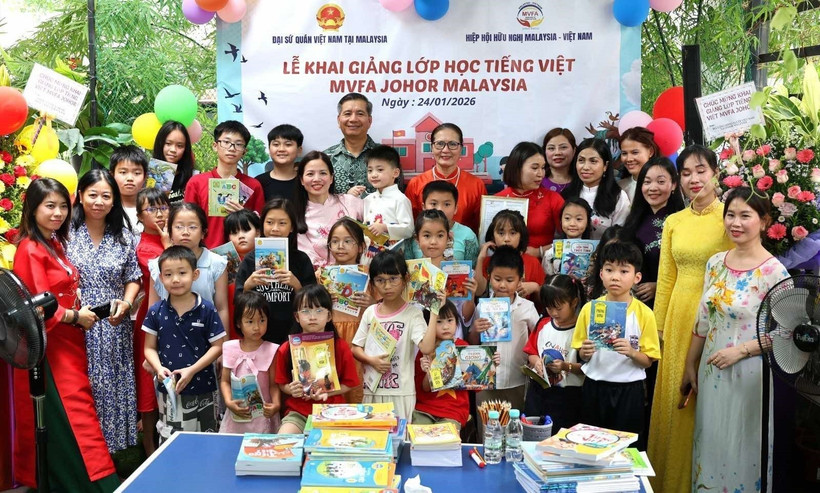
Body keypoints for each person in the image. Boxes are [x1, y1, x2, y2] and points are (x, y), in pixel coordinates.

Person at [12, 178, 117, 491]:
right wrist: (74, 315)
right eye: (49, 206)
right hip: (51, 347)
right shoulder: (30, 249)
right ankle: (93, 484)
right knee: (76, 416)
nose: (58, 213)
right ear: (32, 208)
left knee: (75, 414)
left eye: (62, 206)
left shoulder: (53, 242)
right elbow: (34, 307)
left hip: (70, 342)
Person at [683, 187, 789, 492]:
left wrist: (741, 351)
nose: (736, 223)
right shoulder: (715, 263)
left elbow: (787, 332)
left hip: (750, 374)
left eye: (745, 215)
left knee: (743, 446)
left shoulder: (774, 272)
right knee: (710, 441)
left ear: (765, 221)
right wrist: (691, 363)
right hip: (711, 368)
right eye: (730, 215)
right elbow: (703, 319)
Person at [647, 145, 733, 493]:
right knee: (675, 400)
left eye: (701, 170)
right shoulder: (673, 222)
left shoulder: (731, 215)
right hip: (679, 317)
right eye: (686, 173)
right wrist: (659, 329)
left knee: (709, 397)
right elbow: (666, 279)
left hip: (718, 316)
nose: (694, 179)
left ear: (715, 172)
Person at [67, 169, 141, 453]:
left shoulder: (123, 236)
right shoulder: (66, 234)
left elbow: (133, 277)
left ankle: (110, 454)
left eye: (106, 196)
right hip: (75, 321)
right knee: (82, 382)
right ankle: (82, 453)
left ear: (114, 201)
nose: (99, 201)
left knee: (112, 383)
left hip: (113, 322)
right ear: (81, 196)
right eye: (93, 194)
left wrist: (126, 302)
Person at [572, 242, 661, 449]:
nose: (615, 277)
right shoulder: (590, 309)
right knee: (590, 444)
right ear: (601, 273)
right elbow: (580, 353)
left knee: (626, 447)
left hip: (629, 390)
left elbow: (648, 361)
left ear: (636, 278)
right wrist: (584, 353)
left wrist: (631, 352)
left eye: (623, 271)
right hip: (595, 386)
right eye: (609, 270)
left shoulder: (644, 313)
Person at [143, 246, 226, 440]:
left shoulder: (207, 309)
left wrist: (192, 370)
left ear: (195, 274)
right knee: (172, 438)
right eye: (168, 274)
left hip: (205, 386)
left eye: (182, 273)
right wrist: (158, 368)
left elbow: (217, 346)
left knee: (207, 438)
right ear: (161, 278)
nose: (176, 279)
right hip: (170, 389)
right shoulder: (156, 311)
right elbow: (148, 347)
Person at [352, 249, 439, 421]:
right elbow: (355, 348)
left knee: (400, 441)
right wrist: (371, 361)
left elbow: (427, 347)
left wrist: (434, 310)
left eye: (393, 279)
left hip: (402, 393)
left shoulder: (412, 314)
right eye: (380, 280)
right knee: (376, 441)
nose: (387, 286)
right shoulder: (370, 312)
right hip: (372, 390)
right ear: (373, 283)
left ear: (405, 279)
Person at [276, 285, 361, 434]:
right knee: (285, 438)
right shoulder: (286, 348)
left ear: (329, 316)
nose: (313, 316)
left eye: (319, 310)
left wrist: (326, 393)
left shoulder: (339, 346)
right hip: (298, 412)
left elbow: (350, 384)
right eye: (306, 311)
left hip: (332, 411)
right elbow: (282, 384)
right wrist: (291, 389)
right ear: (297, 317)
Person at [469, 245, 540, 415]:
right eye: (497, 279)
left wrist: (534, 359)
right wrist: (475, 330)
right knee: (486, 427)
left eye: (509, 280)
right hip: (486, 380)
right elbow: (472, 342)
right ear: (488, 275)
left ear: (520, 280)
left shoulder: (527, 307)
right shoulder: (482, 307)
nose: (502, 285)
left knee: (514, 424)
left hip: (516, 378)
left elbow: (538, 337)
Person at [235, 198, 317, 344]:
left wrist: (297, 286)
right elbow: (238, 301)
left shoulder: (301, 259)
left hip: (293, 334)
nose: (275, 228)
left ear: (292, 227)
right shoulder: (250, 260)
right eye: (270, 222)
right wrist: (248, 286)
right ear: (262, 224)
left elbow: (314, 302)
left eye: (282, 223)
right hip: (259, 335)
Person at [414, 300, 499, 430]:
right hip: (425, 409)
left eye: (450, 320)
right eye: (439, 322)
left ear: (457, 322)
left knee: (445, 439)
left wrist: (491, 366)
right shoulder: (425, 350)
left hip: (453, 410)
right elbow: (425, 388)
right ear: (429, 325)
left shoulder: (463, 347)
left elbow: (477, 386)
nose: (445, 326)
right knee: (418, 435)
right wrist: (428, 372)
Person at [147, 202, 230, 331]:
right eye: (179, 227)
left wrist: (223, 347)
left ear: (203, 232)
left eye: (192, 227)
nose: (185, 232)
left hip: (208, 339)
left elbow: (221, 308)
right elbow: (152, 309)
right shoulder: (157, 265)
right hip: (168, 338)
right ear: (170, 231)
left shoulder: (217, 264)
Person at [184, 120, 265, 248]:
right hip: (205, 254)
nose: (231, 149)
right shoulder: (196, 183)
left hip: (242, 257)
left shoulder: (253, 186)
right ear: (215, 146)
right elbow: (188, 221)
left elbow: (260, 227)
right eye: (226, 142)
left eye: (238, 144)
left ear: (244, 151)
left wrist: (244, 216)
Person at [133, 187, 172, 456]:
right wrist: (168, 242)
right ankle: (149, 452)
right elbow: (166, 274)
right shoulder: (144, 247)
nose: (159, 214)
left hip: (180, 321)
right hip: (151, 325)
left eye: (163, 207)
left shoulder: (173, 237)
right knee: (149, 390)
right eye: (152, 209)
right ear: (139, 216)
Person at [321, 217, 376, 403]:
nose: (340, 246)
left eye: (347, 241)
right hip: (331, 336)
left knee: (358, 386)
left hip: (361, 337)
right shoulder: (322, 276)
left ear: (361, 246)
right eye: (334, 241)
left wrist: (372, 303)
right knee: (333, 385)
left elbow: (387, 307)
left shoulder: (371, 275)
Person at [523, 275, 586, 431]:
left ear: (574, 303)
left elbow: (587, 368)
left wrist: (565, 366)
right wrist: (536, 361)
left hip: (568, 396)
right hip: (539, 392)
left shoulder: (581, 329)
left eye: (559, 308)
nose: (553, 313)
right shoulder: (544, 323)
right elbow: (531, 351)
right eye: (549, 308)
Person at [621, 156, 684, 309]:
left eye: (661, 182)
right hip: (632, 304)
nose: (653, 188)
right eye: (647, 182)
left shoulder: (682, 222)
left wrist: (659, 286)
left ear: (674, 184)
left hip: (668, 303)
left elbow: (688, 268)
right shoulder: (632, 220)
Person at [408, 209, 478, 340]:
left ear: (449, 237)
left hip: (451, 341)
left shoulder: (459, 271)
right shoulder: (410, 272)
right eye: (427, 236)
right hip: (419, 340)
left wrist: (471, 295)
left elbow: (466, 317)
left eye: (440, 236)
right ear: (417, 238)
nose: (433, 242)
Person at [405, 123, 487, 232]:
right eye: (440, 144)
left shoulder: (476, 185)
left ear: (461, 148)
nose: (445, 150)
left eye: (452, 144)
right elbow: (410, 226)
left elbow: (481, 228)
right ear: (432, 147)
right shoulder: (416, 184)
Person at [219, 291, 281, 433]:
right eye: (250, 321)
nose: (256, 327)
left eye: (262, 320)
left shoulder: (271, 350)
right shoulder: (229, 347)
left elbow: (273, 385)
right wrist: (229, 402)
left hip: (263, 416)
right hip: (238, 413)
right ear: (239, 323)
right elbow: (225, 381)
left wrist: (276, 405)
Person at [294, 150, 363, 269]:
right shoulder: (295, 214)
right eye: (310, 174)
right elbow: (306, 255)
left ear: (331, 178)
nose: (317, 179)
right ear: (301, 180)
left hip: (358, 276)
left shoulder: (349, 202)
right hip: (319, 278)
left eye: (323, 173)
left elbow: (376, 227)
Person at [496, 141, 564, 257]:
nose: (541, 174)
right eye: (535, 168)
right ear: (517, 168)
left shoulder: (553, 199)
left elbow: (570, 242)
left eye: (543, 168)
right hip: (504, 268)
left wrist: (540, 251)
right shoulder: (496, 200)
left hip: (543, 266)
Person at [561, 138, 630, 239]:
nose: (585, 167)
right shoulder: (566, 194)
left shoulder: (618, 196)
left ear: (605, 166)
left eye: (593, 161)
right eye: (581, 160)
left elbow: (620, 236)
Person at [403, 180, 480, 267]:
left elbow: (472, 268)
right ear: (424, 207)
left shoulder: (468, 235)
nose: (440, 209)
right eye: (433, 204)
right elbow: (408, 269)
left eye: (447, 204)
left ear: (455, 208)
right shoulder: (413, 234)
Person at [475, 209, 545, 300]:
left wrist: (535, 288)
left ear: (521, 236)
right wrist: (480, 258)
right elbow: (478, 291)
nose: (507, 239)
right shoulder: (486, 261)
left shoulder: (532, 262)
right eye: (501, 233)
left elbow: (545, 301)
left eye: (513, 233)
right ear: (492, 236)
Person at [323, 92, 377, 195]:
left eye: (360, 114)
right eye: (347, 114)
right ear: (339, 120)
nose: (353, 119)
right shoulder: (325, 158)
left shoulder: (385, 156)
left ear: (369, 120)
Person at [362, 144, 413, 249]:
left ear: (395, 173)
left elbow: (408, 230)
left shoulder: (400, 199)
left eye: (380, 170)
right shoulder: (368, 199)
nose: (374, 175)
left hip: (391, 257)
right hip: (368, 253)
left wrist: (385, 227)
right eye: (370, 170)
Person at [223, 209, 262, 336]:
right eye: (234, 232)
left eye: (246, 230)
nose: (241, 236)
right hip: (231, 318)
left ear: (258, 232)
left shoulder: (268, 260)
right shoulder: (221, 263)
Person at [542, 197, 593, 276]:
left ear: (588, 222)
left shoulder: (594, 252)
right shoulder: (550, 253)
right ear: (560, 221)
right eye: (567, 218)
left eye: (579, 219)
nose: (572, 223)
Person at [256, 123, 303, 202]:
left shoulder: (306, 182)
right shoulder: (258, 183)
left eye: (288, 144)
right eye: (276, 144)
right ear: (269, 149)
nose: (281, 149)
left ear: (299, 150)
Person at [152, 120, 195, 205]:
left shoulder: (194, 176)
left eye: (179, 146)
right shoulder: (149, 176)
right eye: (168, 143)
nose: (173, 150)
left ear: (186, 149)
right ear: (160, 144)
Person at [110, 144, 147, 235]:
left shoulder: (153, 209)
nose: (130, 178)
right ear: (112, 175)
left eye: (137, 173)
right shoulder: (105, 208)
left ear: (145, 177)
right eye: (123, 172)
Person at [617, 127, 661, 201]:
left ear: (650, 152)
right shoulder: (619, 187)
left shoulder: (665, 185)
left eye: (635, 152)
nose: (629, 159)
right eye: (624, 153)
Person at [542, 128, 576, 193]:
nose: (557, 153)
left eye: (563, 147)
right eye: (551, 148)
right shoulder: (537, 181)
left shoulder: (582, 181)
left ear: (574, 151)